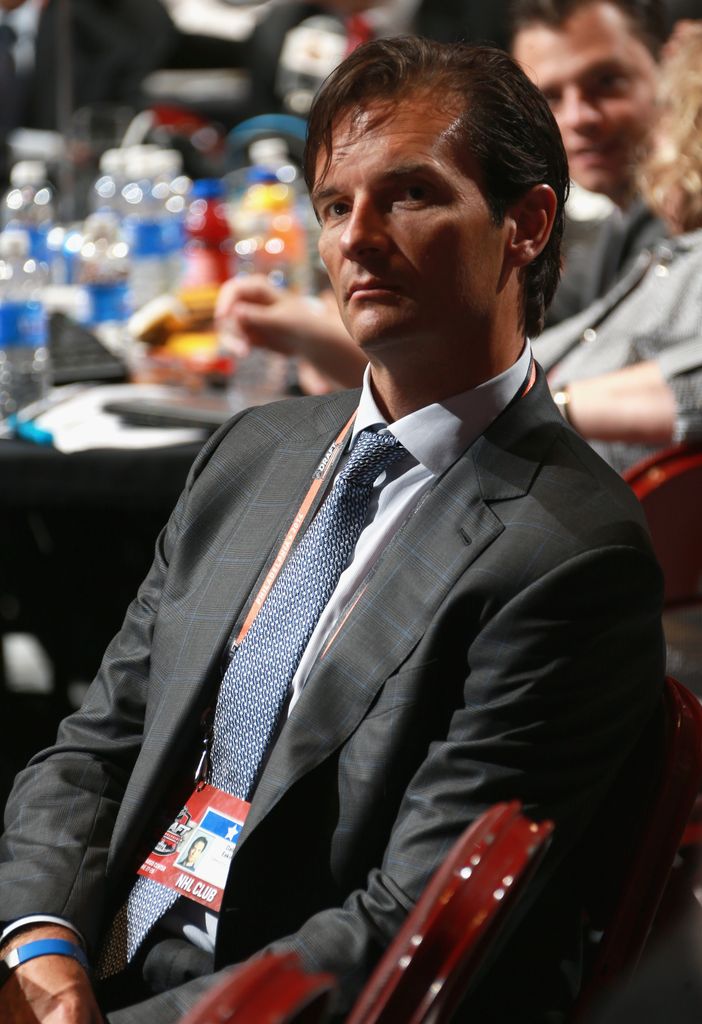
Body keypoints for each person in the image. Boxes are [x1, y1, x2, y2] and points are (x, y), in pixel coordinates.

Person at [0, 37, 664, 1024]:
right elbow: (100, 744)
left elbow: (411, 923)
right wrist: (40, 951)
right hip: (97, 959)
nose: (357, 236)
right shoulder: (255, 451)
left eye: (408, 196)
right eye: (334, 204)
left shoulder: (569, 552)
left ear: (525, 225)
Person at [532, 21, 702, 474]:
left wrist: (550, 407)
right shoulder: (659, 253)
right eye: (552, 97)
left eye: (670, 111)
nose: (578, 117)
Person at [509, 0, 667, 325]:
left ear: (669, 71)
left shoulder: (685, 225)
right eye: (551, 98)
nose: (578, 117)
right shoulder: (611, 235)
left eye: (607, 82)